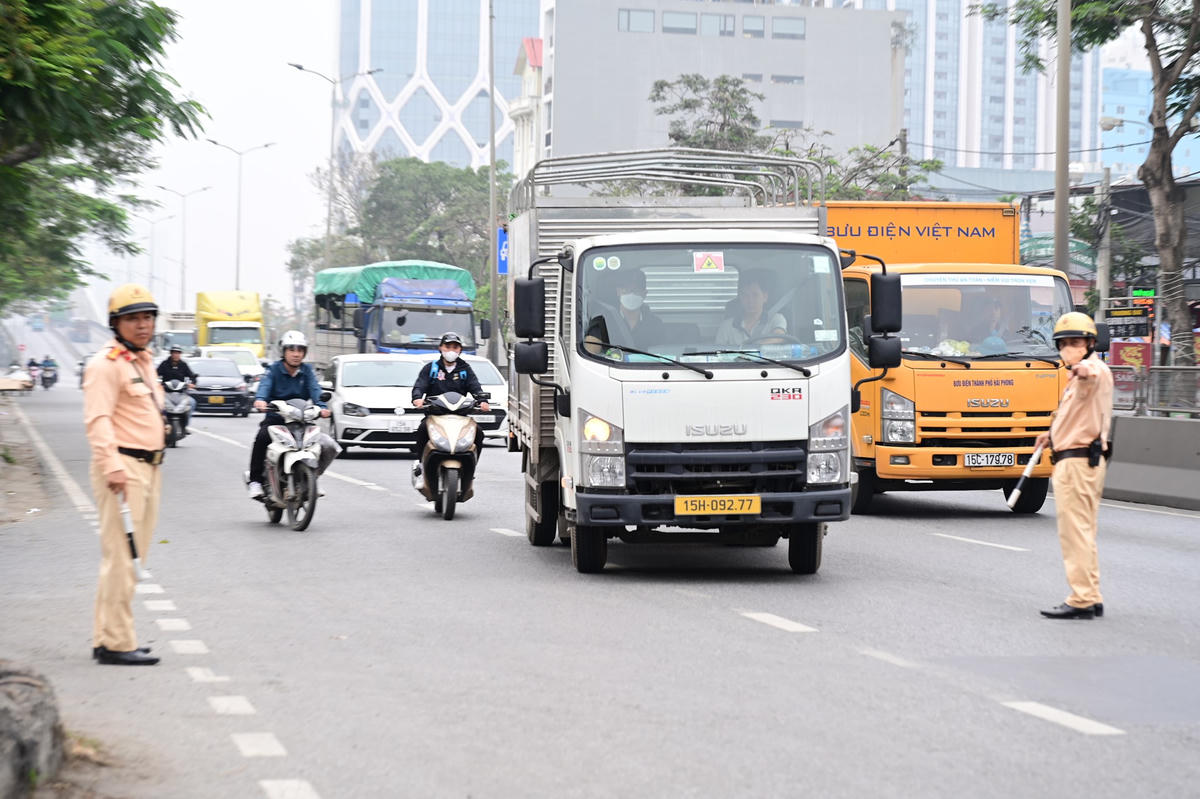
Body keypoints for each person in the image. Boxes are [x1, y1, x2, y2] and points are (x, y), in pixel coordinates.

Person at [83, 284, 166, 666]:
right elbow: (98, 420)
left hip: (148, 467)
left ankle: (108, 636)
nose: (142, 325)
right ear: (116, 323)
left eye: (147, 317)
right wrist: (113, 466)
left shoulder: (142, 360)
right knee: (122, 557)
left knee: (131, 555)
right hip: (123, 469)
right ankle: (116, 644)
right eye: (132, 318)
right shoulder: (105, 364)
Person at [1034, 312, 1114, 620]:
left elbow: (1090, 373)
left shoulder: (1093, 369)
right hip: (1077, 459)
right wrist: (1050, 435)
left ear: (1091, 343)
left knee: (1075, 534)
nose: (1069, 348)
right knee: (1084, 532)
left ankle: (1080, 599)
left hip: (1078, 464)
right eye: (1064, 343)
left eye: (1076, 342)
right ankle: (1090, 595)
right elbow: (1076, 417)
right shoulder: (1073, 381)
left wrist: (1081, 368)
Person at [246, 331, 337, 499]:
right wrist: (260, 400)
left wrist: (322, 407)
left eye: (300, 350)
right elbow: (265, 386)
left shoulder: (307, 371)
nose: (296, 354)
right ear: (284, 351)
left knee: (328, 445)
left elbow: (316, 390)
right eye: (292, 350)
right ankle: (255, 481)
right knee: (261, 438)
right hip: (276, 419)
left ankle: (312, 477)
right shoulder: (273, 370)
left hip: (302, 420)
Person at [410, 332, 491, 476]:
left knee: (478, 433)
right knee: (422, 430)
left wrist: (482, 401)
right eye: (448, 346)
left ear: (460, 350)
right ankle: (421, 465)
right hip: (435, 415)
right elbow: (420, 386)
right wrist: (417, 398)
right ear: (441, 348)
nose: (451, 350)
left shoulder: (465, 369)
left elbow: (475, 388)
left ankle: (471, 468)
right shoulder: (431, 369)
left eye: (455, 347)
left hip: (460, 416)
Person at [584, 267, 666, 352]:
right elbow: (590, 353)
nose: (631, 295)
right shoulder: (601, 320)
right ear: (618, 292)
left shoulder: (655, 324)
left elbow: (661, 354)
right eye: (626, 290)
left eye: (636, 291)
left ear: (644, 294)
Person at [715, 270, 787, 347]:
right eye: (745, 295)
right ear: (740, 298)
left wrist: (753, 348)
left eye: (755, 295)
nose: (750, 301)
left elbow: (779, 337)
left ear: (765, 297)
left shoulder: (776, 319)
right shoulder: (726, 326)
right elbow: (718, 353)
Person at [156, 345, 197, 435]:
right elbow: (155, 374)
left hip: (181, 393)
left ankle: (185, 425)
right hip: (166, 392)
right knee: (157, 404)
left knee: (192, 403)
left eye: (178, 353)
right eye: (174, 353)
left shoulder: (183, 365)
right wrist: (157, 383)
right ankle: (160, 424)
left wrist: (192, 383)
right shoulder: (164, 364)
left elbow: (192, 376)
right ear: (171, 353)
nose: (176, 355)